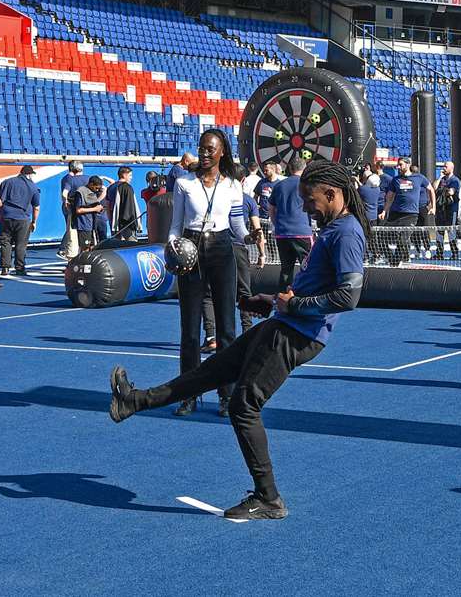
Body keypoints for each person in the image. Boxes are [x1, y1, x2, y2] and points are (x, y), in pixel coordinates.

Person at [108, 160, 368, 520]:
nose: (306, 206)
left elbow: (349, 296)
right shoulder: (333, 228)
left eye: (310, 199)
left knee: (243, 406)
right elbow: (317, 287)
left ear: (332, 193)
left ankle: (268, 498)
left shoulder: (347, 232)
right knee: (208, 373)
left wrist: (296, 306)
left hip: (296, 334)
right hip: (285, 324)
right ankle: (133, 401)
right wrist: (272, 302)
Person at [169, 129, 245, 417]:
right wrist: (172, 248)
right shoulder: (184, 182)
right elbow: (176, 224)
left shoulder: (232, 185)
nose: (204, 153)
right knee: (189, 329)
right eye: (201, 148)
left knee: (227, 328)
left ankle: (227, 394)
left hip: (222, 249)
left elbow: (237, 224)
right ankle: (188, 395)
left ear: (222, 151)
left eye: (210, 149)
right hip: (190, 249)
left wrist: (252, 237)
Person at [230, 166, 266, 336]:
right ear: (243, 180)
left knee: (216, 292)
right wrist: (261, 254)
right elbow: (258, 231)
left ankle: (214, 334)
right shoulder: (248, 201)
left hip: (218, 248)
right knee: (245, 291)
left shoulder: (220, 198)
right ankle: (247, 331)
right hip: (239, 248)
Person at [381, 157, 434, 266]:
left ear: (408, 164)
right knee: (383, 236)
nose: (398, 167)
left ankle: (396, 261)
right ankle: (392, 258)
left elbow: (431, 190)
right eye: (398, 165)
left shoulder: (419, 178)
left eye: (401, 164)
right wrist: (384, 211)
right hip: (396, 213)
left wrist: (433, 207)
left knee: (403, 239)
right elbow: (389, 197)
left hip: (411, 214)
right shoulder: (395, 180)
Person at [270, 157, 313, 289]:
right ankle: (308, 295)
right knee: (310, 267)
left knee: (285, 270)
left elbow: (271, 208)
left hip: (282, 233)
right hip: (302, 232)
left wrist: (276, 224)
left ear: (289, 168)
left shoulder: (279, 185)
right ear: (304, 168)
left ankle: (282, 299)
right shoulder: (306, 185)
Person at [0, 165, 40, 275]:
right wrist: (34, 221)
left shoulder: (7, 182)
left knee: (5, 242)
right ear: (29, 174)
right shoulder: (33, 186)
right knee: (21, 244)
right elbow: (36, 207)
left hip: (6, 216)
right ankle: (19, 268)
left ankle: (5, 268)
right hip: (23, 218)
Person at [58, 161, 87, 260]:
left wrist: (65, 201)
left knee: (71, 229)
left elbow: (64, 193)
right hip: (81, 207)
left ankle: (66, 250)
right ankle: (66, 249)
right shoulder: (73, 179)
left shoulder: (67, 179)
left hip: (71, 206)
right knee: (77, 230)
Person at [71, 176, 107, 253]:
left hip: (91, 224)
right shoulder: (80, 192)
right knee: (85, 248)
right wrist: (95, 209)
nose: (97, 190)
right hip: (83, 225)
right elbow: (78, 210)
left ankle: (87, 263)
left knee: (92, 247)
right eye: (96, 188)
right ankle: (81, 264)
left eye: (98, 189)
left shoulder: (93, 192)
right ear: (91, 184)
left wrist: (99, 208)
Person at [433, 161, 461, 260]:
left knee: (451, 231)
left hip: (450, 209)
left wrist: (444, 190)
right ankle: (439, 253)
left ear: (451, 168)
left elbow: (451, 192)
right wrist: (440, 177)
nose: (444, 168)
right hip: (441, 209)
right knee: (439, 232)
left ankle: (455, 253)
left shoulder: (455, 180)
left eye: (446, 166)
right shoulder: (442, 179)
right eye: (444, 166)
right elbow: (434, 188)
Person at [105, 166, 140, 242]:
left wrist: (111, 221)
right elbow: (130, 206)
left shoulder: (111, 187)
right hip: (126, 222)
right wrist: (133, 223)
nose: (131, 178)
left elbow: (107, 205)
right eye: (130, 175)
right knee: (132, 244)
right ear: (124, 175)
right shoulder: (127, 187)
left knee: (117, 245)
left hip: (114, 221)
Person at [357, 166, 382, 263]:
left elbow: (359, 188)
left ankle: (365, 256)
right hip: (373, 217)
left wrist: (356, 180)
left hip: (364, 217)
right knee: (373, 238)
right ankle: (376, 255)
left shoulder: (363, 190)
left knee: (364, 238)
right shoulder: (377, 190)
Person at [409, 164, 435, 257]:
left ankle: (427, 248)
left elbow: (431, 189)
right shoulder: (409, 180)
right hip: (413, 208)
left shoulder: (421, 179)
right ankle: (417, 249)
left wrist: (431, 205)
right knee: (415, 230)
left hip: (422, 207)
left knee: (424, 229)